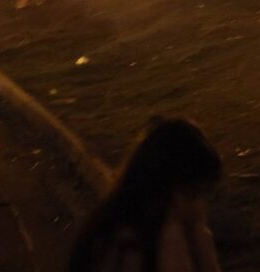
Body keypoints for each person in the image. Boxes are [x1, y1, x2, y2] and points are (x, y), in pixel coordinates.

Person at [67, 117, 224, 272]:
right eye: (195, 193)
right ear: (171, 191)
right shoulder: (141, 242)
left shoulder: (117, 219)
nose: (202, 205)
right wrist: (195, 243)